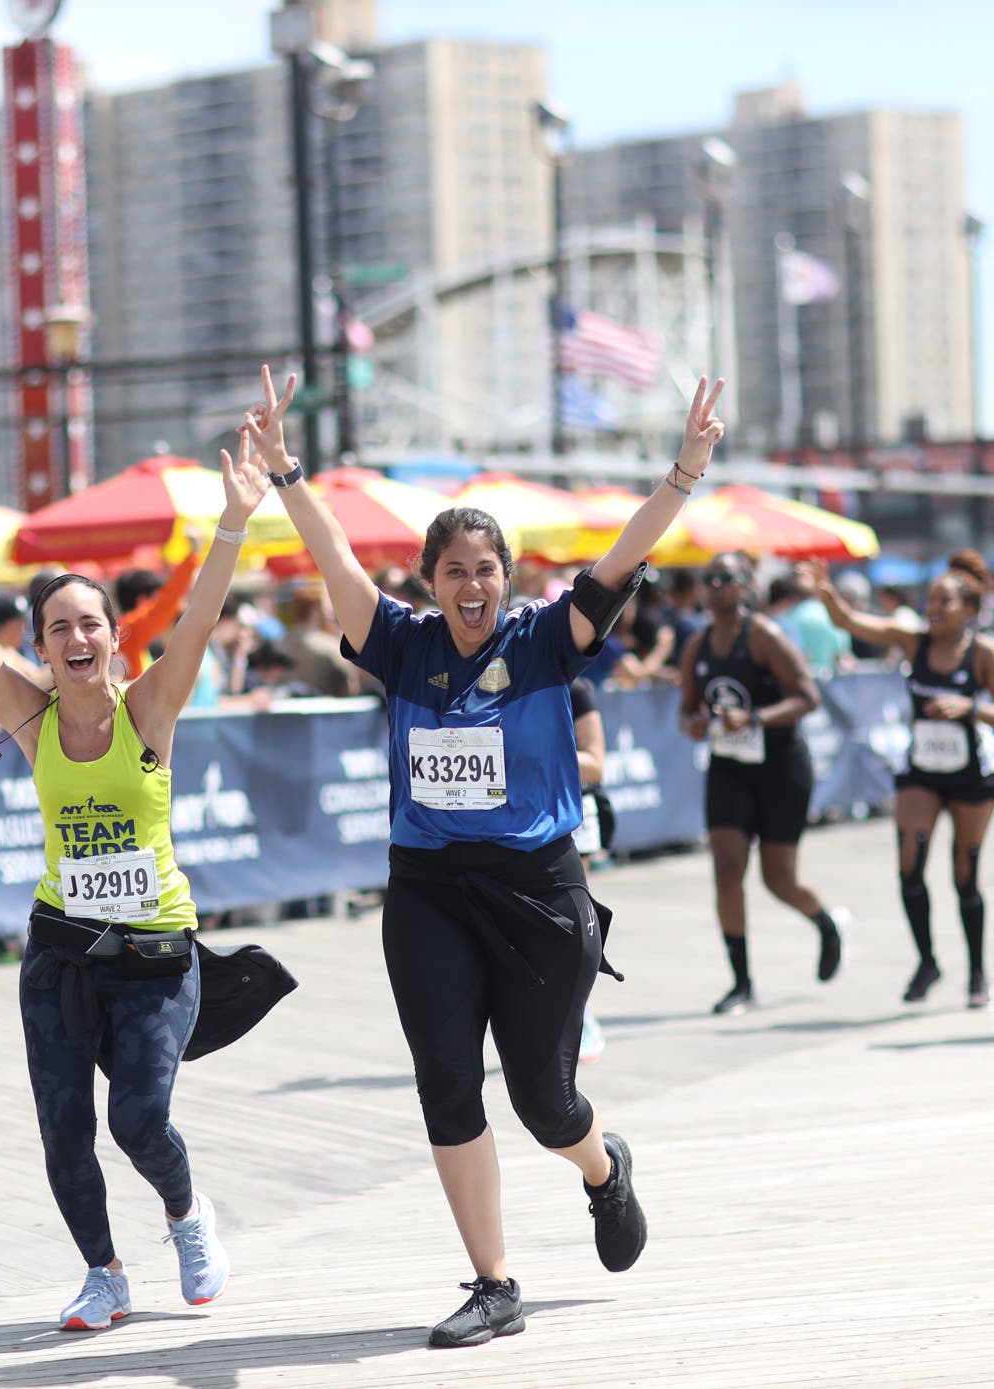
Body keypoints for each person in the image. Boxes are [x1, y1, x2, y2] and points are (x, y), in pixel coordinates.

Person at [243, 364, 677, 1350]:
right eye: (452, 571)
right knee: (445, 1081)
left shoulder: (545, 642)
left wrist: (683, 473)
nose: (470, 585)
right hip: (428, 890)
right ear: (429, 581)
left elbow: (621, 557)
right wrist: (286, 472)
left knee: (543, 1103)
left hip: (537, 891)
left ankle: (603, 1167)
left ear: (505, 577)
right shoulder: (400, 645)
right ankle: (493, 1282)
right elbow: (333, 561)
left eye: (485, 569)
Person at [0, 437, 264, 1332]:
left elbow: (200, 619)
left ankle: (187, 1215)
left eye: (90, 623)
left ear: (114, 636)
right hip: (62, 952)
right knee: (64, 1126)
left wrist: (233, 521)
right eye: (57, 627)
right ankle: (105, 1273)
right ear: (41, 646)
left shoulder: (150, 709)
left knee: (139, 1119)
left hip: (155, 953)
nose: (76, 637)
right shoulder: (30, 716)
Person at [811, 558, 994, 1008]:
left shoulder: (983, 652)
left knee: (965, 876)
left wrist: (969, 708)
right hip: (922, 770)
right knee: (909, 866)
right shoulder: (913, 641)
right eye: (931, 600)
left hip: (971, 774)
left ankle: (978, 972)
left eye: (945, 602)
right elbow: (850, 622)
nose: (933, 608)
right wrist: (827, 594)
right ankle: (927, 962)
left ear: (969, 609)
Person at [680, 552, 848, 1016]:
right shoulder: (697, 646)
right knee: (727, 869)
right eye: (709, 579)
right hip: (729, 767)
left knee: (779, 879)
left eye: (725, 579)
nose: (715, 587)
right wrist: (695, 724)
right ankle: (741, 982)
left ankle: (825, 922)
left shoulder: (764, 636)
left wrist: (753, 717)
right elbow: (687, 712)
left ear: (746, 586)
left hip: (780, 767)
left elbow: (807, 697)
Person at [569, 676, 614, 1063]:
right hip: (514, 815)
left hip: (572, 810)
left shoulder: (575, 689)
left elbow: (596, 766)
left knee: (570, 919)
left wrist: (538, 745)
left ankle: (583, 1017)